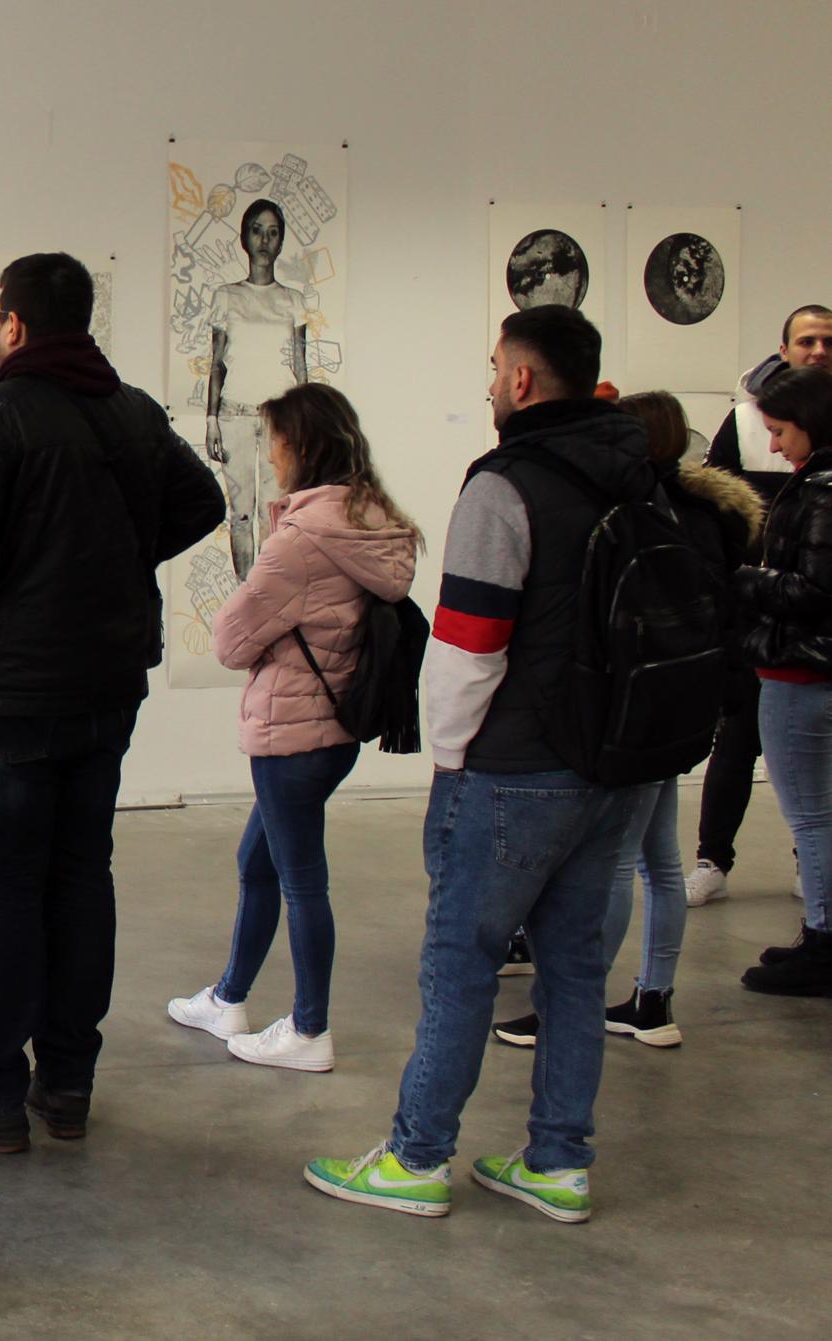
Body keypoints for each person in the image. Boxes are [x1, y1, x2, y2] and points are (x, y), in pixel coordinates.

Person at [305, 306, 646, 1226]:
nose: (490, 383)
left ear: (522, 379)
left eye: (495, 367)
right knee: (573, 968)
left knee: (459, 961)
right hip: (614, 765)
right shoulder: (639, 471)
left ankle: (416, 1157)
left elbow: (467, 642)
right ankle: (558, 1162)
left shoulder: (506, 483)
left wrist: (450, 759)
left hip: (514, 764)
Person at [0, 252, 224, 1151]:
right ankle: (68, 1079)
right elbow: (201, 500)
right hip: (104, 683)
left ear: (11, 324)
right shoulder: (131, 411)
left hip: (3, 694)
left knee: (4, 890)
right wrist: (112, 557)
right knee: (81, 874)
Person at [489, 392, 760, 1049]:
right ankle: (652, 1000)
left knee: (612, 863)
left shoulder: (636, 510)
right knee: (658, 862)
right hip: (683, 699)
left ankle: (566, 1008)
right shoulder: (709, 513)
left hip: (632, 705)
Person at [167, 384, 420, 1072]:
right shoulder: (375, 523)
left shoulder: (301, 543)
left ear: (301, 447)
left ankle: (310, 1030)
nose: (270, 453)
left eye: (274, 439)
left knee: (302, 881)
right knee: (257, 863)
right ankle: (228, 997)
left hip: (291, 731)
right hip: (335, 728)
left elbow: (228, 641)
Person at [688, 304, 832, 907]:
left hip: (802, 634)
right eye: (807, 340)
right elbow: (718, 504)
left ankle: (814, 881)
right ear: (785, 348)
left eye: (828, 341)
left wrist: (748, 578)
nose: (819, 350)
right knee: (737, 741)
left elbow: (815, 583)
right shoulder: (746, 421)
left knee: (812, 793)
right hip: (762, 627)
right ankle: (712, 859)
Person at [734, 366, 832, 996]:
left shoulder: (821, 491)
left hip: (802, 670)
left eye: (780, 432)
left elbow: (815, 590)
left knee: (813, 819)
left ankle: (824, 945)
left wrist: (741, 577)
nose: (773, 446)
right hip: (806, 667)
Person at [207, 199, 310, 580]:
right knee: (241, 514)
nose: (264, 240)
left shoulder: (292, 301)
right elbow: (217, 363)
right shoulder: (226, 296)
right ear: (244, 238)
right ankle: (245, 592)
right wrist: (211, 420)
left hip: (278, 420)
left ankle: (267, 590)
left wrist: (306, 423)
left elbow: (300, 365)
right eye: (257, 231)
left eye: (273, 232)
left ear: (281, 242)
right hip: (234, 415)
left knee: (273, 512)